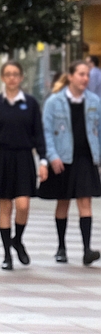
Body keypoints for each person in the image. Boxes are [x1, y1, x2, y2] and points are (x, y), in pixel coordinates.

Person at [0, 61, 48, 270]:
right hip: (0, 158)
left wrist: (43, 160)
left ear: (21, 77)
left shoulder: (31, 104)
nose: (12, 77)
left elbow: (39, 133)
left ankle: (18, 239)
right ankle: (7, 255)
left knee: (23, 205)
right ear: (3, 78)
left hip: (23, 158)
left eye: (15, 74)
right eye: (8, 74)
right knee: (5, 207)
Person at [38, 60, 101, 265]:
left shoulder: (94, 101)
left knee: (85, 202)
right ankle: (61, 247)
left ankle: (86, 249)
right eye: (81, 74)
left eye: (87, 75)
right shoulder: (54, 102)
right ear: (71, 76)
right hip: (63, 158)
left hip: (86, 157)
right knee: (63, 202)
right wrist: (52, 156)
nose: (85, 79)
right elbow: (46, 132)